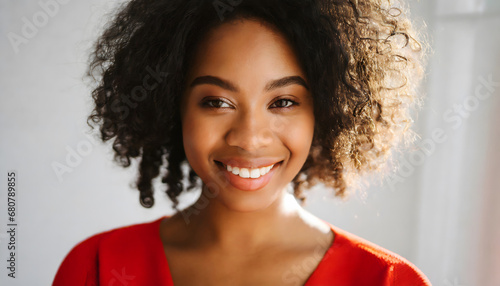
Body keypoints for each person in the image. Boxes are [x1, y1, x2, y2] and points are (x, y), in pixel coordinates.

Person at [53, 0, 431, 285]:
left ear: (328, 111)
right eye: (216, 102)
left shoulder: (387, 280)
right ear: (172, 106)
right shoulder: (97, 268)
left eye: (283, 102)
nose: (249, 138)